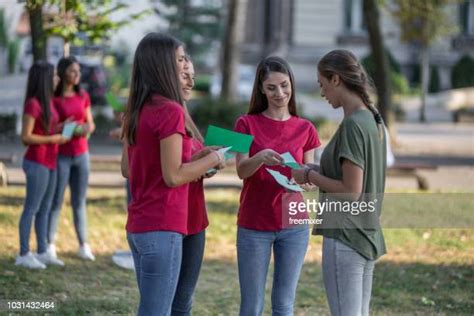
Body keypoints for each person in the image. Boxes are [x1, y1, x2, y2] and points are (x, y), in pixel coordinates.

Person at [121, 33, 225, 316]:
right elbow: (173, 176)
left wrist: (199, 158)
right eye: (179, 59)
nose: (186, 67)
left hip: (141, 225)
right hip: (163, 225)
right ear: (162, 65)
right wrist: (214, 158)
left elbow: (128, 169)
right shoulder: (170, 111)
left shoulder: (139, 108)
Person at [292, 49, 387, 316]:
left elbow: (350, 191)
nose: (322, 93)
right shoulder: (371, 117)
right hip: (365, 234)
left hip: (345, 236)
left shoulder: (353, 125)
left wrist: (309, 176)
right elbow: (354, 175)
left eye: (322, 84)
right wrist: (316, 168)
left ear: (336, 79)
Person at [233, 56, 321, 315]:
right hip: (254, 223)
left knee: (284, 303)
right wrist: (260, 157)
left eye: (284, 85)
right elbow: (241, 170)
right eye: (271, 88)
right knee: (252, 305)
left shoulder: (306, 128)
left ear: (291, 84)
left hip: (294, 224)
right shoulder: (245, 124)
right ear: (261, 88)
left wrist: (305, 182)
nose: (279, 93)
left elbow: (308, 175)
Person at [170, 57, 221, 315]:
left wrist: (206, 161)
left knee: (184, 300)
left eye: (193, 75)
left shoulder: (184, 114)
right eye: (184, 75)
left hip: (195, 217)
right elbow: (170, 171)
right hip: (171, 218)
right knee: (167, 301)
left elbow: (188, 163)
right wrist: (207, 159)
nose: (191, 81)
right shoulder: (168, 115)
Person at [16, 61, 68, 269]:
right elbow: (26, 137)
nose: (57, 79)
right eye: (54, 76)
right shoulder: (33, 104)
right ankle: (23, 253)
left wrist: (62, 127)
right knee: (32, 207)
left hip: (50, 160)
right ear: (45, 79)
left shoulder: (49, 102)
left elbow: (45, 129)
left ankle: (42, 250)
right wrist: (54, 138)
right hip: (36, 161)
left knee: (45, 208)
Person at [47, 56, 96, 262]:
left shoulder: (83, 95)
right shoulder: (54, 99)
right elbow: (51, 128)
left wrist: (86, 128)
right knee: (56, 200)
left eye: (78, 71)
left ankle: (83, 244)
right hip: (61, 156)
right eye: (73, 71)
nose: (77, 75)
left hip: (82, 154)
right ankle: (49, 244)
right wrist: (65, 127)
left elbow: (90, 123)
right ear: (62, 73)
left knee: (79, 201)